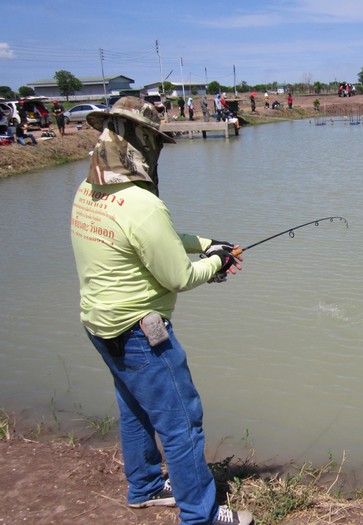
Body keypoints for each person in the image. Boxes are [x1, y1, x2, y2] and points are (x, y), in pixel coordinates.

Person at [70, 97, 254, 525]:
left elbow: (157, 238)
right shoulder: (141, 203)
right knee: (182, 422)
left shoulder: (88, 189)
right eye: (152, 140)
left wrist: (207, 243)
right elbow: (179, 277)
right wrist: (219, 262)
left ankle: (146, 487)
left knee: (135, 407)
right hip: (140, 334)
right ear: (142, 142)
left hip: (99, 324)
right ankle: (201, 516)